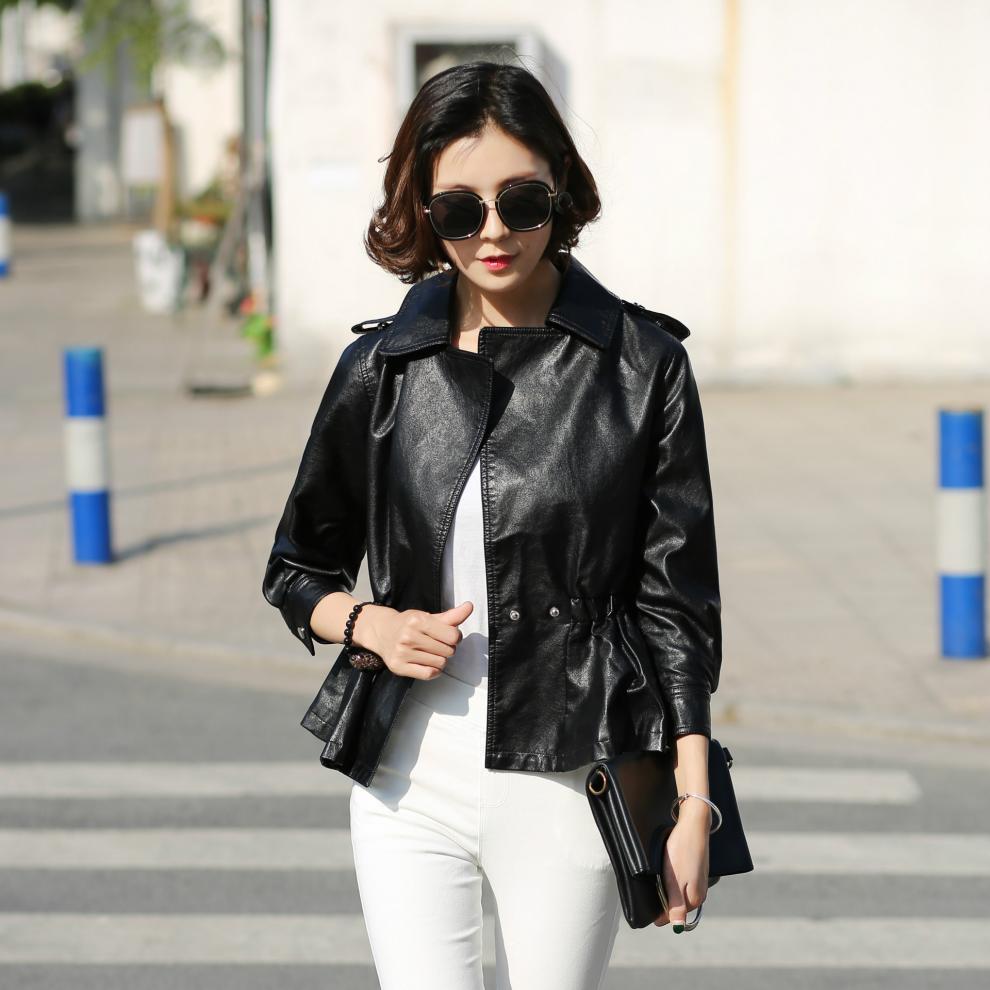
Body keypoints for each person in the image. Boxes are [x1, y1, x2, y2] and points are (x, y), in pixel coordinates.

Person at [262, 60, 721, 990]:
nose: (495, 233)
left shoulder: (643, 368)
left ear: (561, 186)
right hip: (406, 778)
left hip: (572, 775)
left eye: (522, 201)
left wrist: (693, 802)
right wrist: (370, 623)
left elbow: (678, 611)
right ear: (423, 211)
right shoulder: (383, 367)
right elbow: (296, 569)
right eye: (459, 210)